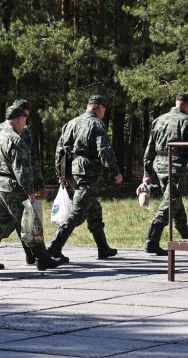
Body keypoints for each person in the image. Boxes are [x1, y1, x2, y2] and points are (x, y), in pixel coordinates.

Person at [0, 105, 60, 273]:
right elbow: (21, 170)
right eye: (24, 121)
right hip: (13, 188)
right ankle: (43, 259)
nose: (25, 125)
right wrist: (29, 191)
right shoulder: (16, 139)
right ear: (19, 119)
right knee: (30, 222)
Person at [48, 95, 123, 262]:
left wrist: (61, 175)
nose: (104, 113)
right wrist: (115, 171)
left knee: (93, 208)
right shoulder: (96, 124)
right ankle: (55, 246)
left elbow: (59, 151)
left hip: (72, 170)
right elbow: (104, 150)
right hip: (87, 170)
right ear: (99, 108)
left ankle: (103, 248)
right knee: (77, 210)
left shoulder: (71, 123)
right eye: (104, 110)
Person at [0, 99, 46, 269]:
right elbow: (29, 161)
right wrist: (38, 184)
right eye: (26, 115)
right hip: (15, 184)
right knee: (25, 220)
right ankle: (37, 256)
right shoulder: (22, 132)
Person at [143, 92, 188, 256]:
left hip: (159, 165)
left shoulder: (159, 120)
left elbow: (150, 147)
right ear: (187, 105)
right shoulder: (186, 120)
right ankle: (152, 240)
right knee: (170, 203)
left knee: (175, 202)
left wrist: (147, 170)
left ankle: (187, 240)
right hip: (176, 165)